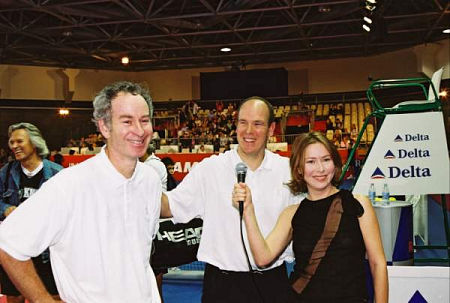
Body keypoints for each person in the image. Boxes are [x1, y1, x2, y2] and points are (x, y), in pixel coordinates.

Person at [0, 81, 162, 303]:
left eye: (145, 120)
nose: (140, 130)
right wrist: (42, 300)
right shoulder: (68, 185)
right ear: (104, 126)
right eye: (127, 121)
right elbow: (8, 244)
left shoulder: (151, 180)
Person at [161, 96, 303, 303]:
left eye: (258, 124)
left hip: (272, 285)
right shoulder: (210, 169)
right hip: (222, 286)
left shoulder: (288, 171)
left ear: (271, 129)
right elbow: (169, 206)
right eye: (243, 122)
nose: (249, 131)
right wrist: (133, 185)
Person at [233, 131, 388, 303]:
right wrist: (248, 210)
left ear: (335, 163)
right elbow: (262, 258)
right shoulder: (291, 213)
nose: (320, 169)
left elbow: (378, 263)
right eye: (311, 162)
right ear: (299, 169)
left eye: (326, 159)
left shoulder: (358, 203)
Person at [0, 122, 63, 303]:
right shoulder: (6, 173)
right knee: (14, 297)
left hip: (47, 251)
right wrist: (5, 209)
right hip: (16, 247)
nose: (14, 146)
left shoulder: (57, 174)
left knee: (51, 297)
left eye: (19, 141)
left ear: (34, 143)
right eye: (11, 142)